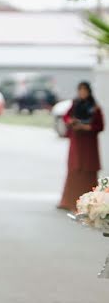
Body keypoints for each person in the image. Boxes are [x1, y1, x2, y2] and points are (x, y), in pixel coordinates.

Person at [58, 81, 103, 212]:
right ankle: (69, 201)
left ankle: (90, 203)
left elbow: (100, 126)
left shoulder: (94, 108)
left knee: (87, 170)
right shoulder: (75, 104)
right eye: (80, 90)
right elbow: (66, 116)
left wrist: (87, 127)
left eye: (84, 91)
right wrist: (71, 121)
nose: (82, 93)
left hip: (89, 144)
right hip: (76, 142)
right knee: (74, 169)